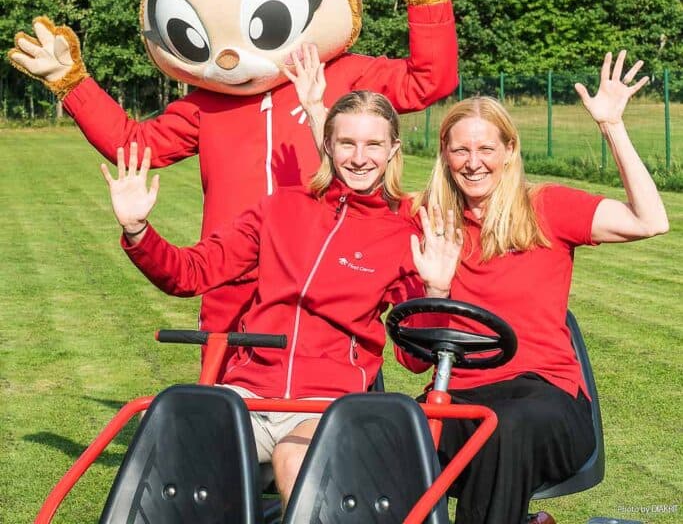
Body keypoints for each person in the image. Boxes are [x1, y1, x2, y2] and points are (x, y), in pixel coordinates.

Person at [101, 46, 461, 508]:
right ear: (327, 144)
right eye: (347, 143)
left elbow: (415, 361)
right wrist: (137, 230)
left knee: (296, 462)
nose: (359, 157)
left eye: (373, 145)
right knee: (181, 448)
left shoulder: (401, 234)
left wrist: (435, 290)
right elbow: (191, 273)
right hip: (248, 393)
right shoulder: (280, 209)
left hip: (325, 406)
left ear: (393, 150)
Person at [396, 50, 670, 524]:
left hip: (547, 401)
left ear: (509, 151)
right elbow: (413, 358)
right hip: (459, 394)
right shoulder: (426, 224)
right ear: (444, 152)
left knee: (502, 430)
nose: (474, 163)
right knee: (383, 434)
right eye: (461, 149)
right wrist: (434, 291)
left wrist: (612, 127)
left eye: (486, 149)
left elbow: (650, 220)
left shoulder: (545, 208)